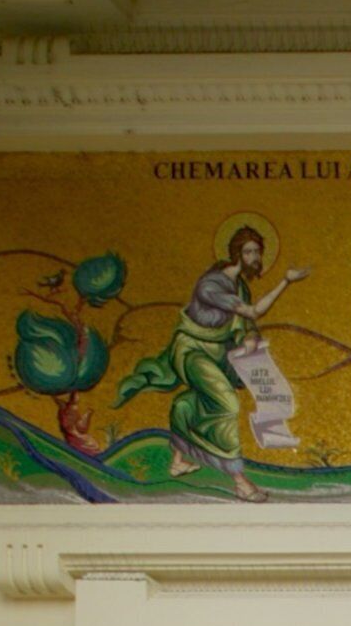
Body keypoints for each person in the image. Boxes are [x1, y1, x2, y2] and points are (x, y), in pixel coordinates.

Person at [118, 215, 307, 501]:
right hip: (192, 350)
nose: (254, 257)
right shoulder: (212, 285)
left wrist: (250, 338)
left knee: (193, 401)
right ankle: (240, 481)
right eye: (249, 252)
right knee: (227, 403)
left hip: (218, 352)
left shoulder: (240, 286)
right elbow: (253, 312)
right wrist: (286, 281)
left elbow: (245, 325)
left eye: (257, 251)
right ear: (236, 254)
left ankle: (178, 461)